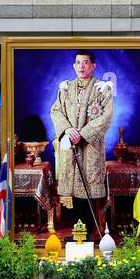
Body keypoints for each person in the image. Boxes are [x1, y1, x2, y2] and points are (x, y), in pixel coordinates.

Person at [49, 50, 114, 238]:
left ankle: (89, 234)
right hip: (71, 146)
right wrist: (68, 130)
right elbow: (55, 111)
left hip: (90, 148)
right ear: (73, 66)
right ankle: (79, 234)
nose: (81, 66)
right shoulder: (66, 88)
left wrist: (83, 134)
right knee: (75, 193)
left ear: (93, 66)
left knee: (89, 190)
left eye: (86, 63)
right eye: (78, 63)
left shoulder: (102, 89)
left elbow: (106, 117)